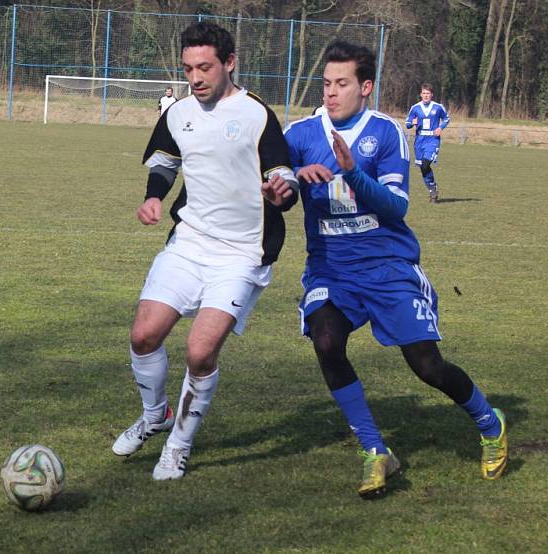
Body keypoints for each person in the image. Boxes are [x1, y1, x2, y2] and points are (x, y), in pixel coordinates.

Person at [281, 41, 506, 499]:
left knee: (426, 366)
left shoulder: (384, 132)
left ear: (365, 87)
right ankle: (375, 449)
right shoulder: (300, 134)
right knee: (325, 340)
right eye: (326, 83)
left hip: (387, 267)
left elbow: (397, 206)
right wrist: (284, 186)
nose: (331, 92)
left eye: (342, 84)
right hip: (330, 270)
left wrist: (353, 174)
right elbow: (277, 190)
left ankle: (489, 420)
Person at [111, 22, 298, 481]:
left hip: (241, 254)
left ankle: (178, 445)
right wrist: (155, 194)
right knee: (143, 336)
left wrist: (282, 192)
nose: (196, 78)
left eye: (205, 68)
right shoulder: (177, 113)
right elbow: (164, 160)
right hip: (189, 242)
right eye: (189, 68)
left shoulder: (257, 115)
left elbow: (285, 176)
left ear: (230, 63)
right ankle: (156, 415)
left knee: (199, 351)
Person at [404, 84, 449, 203]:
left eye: (428, 93)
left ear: (431, 95)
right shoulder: (415, 108)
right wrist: (411, 123)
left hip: (432, 140)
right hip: (419, 141)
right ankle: (432, 189)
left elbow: (446, 118)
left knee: (425, 164)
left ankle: (433, 190)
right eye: (424, 93)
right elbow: (407, 123)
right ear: (420, 94)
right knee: (423, 168)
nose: (426, 95)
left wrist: (441, 128)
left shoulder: (438, 107)